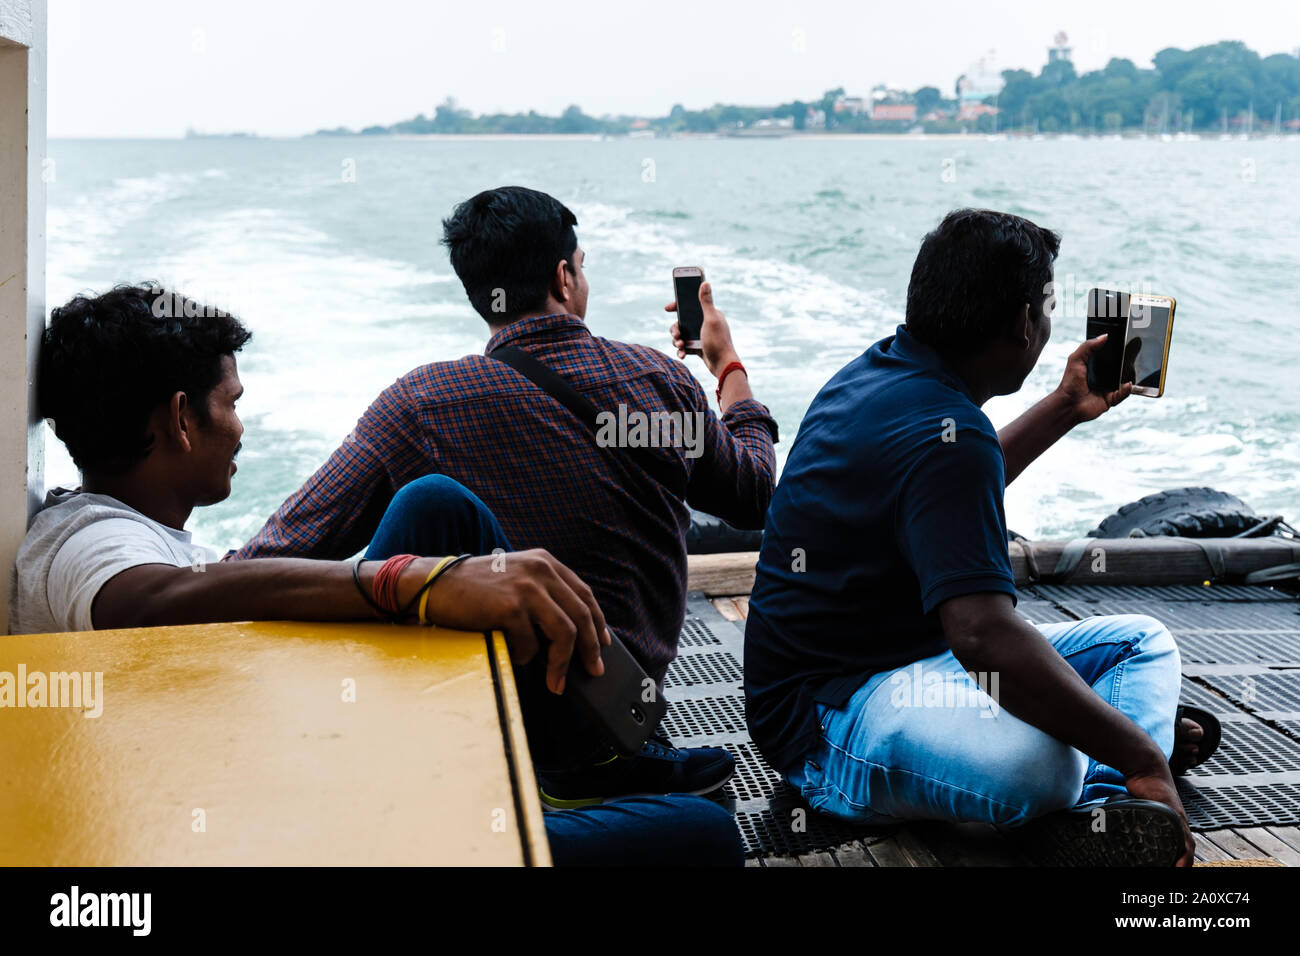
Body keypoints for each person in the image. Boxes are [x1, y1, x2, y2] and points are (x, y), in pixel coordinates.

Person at [10, 284, 742, 867]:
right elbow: (150, 600)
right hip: (291, 825)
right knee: (702, 837)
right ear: (180, 419)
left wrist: (423, 574)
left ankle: (576, 771)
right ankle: (551, 791)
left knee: (436, 507)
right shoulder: (85, 545)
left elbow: (213, 588)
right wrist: (402, 582)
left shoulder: (123, 526)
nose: (241, 426)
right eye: (230, 403)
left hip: (276, 754)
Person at [233, 186, 779, 809]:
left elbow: (283, 548)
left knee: (425, 512)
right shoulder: (658, 380)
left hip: (489, 716)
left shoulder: (419, 405)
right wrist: (727, 365)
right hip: (625, 709)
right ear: (563, 276)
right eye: (583, 265)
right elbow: (755, 494)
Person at [744, 209, 1217, 867]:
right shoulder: (950, 432)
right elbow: (981, 636)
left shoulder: (880, 372)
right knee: (1040, 770)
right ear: (1024, 322)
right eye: (1046, 310)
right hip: (828, 723)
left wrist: (1063, 407)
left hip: (916, 663)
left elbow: (948, 490)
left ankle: (1118, 807)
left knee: (1142, 643)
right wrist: (1143, 751)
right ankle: (1125, 762)